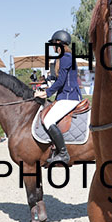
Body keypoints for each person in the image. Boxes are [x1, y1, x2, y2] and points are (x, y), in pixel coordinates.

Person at [34, 30, 82, 165]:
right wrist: (42, 85)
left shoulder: (66, 58)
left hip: (69, 97)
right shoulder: (61, 58)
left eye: (54, 43)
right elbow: (54, 79)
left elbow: (61, 82)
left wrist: (46, 93)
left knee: (48, 120)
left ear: (59, 43)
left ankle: (63, 154)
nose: (53, 47)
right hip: (64, 96)